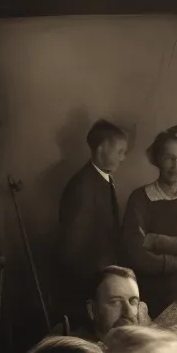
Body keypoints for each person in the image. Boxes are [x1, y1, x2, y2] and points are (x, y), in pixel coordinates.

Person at [122, 125, 177, 317]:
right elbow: (134, 253)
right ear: (157, 159)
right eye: (169, 158)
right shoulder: (139, 198)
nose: (175, 165)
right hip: (150, 291)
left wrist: (155, 240)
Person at [57, 119, 127, 310]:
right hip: (88, 287)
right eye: (120, 152)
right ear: (102, 148)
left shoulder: (103, 180)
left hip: (104, 280)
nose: (123, 158)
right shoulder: (81, 186)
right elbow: (73, 248)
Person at [71, 265, 143, 346]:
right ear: (92, 310)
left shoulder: (147, 348)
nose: (128, 311)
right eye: (115, 302)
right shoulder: (77, 351)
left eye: (132, 301)